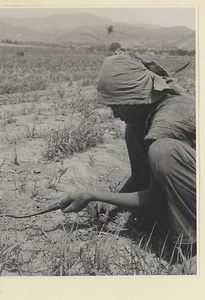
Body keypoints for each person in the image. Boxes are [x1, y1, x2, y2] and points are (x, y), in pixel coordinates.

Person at [60, 50, 197, 274]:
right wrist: (114, 204)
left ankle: (193, 249)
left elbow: (153, 195)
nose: (114, 114)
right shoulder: (143, 120)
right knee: (136, 134)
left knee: (162, 152)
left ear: (135, 97)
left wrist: (93, 195)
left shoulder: (171, 118)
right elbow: (149, 175)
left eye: (117, 105)